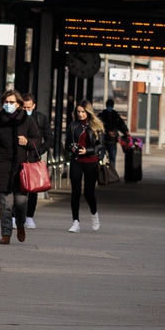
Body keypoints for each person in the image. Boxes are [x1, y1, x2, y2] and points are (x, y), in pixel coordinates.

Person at [0, 88, 41, 245]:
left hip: (21, 170)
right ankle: (5, 233)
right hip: (2, 167)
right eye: (6, 102)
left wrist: (28, 142)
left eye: (11, 102)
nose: (8, 105)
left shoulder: (27, 120)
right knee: (5, 205)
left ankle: (20, 224)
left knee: (20, 203)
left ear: (18, 104)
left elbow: (38, 140)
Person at [66, 99, 104, 232]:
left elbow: (100, 146)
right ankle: (75, 221)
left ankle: (94, 214)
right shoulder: (73, 125)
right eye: (78, 112)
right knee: (75, 192)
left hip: (91, 162)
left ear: (88, 112)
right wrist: (72, 148)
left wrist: (87, 151)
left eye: (83, 112)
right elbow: (67, 143)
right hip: (76, 161)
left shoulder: (96, 126)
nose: (80, 114)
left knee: (89, 193)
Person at [21, 94, 45, 230]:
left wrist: (39, 150)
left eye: (28, 107)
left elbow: (47, 137)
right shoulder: (17, 119)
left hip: (33, 158)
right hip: (19, 158)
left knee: (33, 189)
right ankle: (15, 216)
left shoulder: (40, 119)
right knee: (18, 188)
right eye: (23, 107)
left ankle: (29, 216)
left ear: (34, 106)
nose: (26, 110)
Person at [99, 97, 129, 171]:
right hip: (103, 140)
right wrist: (107, 132)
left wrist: (126, 132)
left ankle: (111, 172)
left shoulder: (115, 116)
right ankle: (100, 171)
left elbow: (121, 125)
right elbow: (98, 126)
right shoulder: (102, 115)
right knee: (101, 157)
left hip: (112, 140)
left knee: (111, 158)